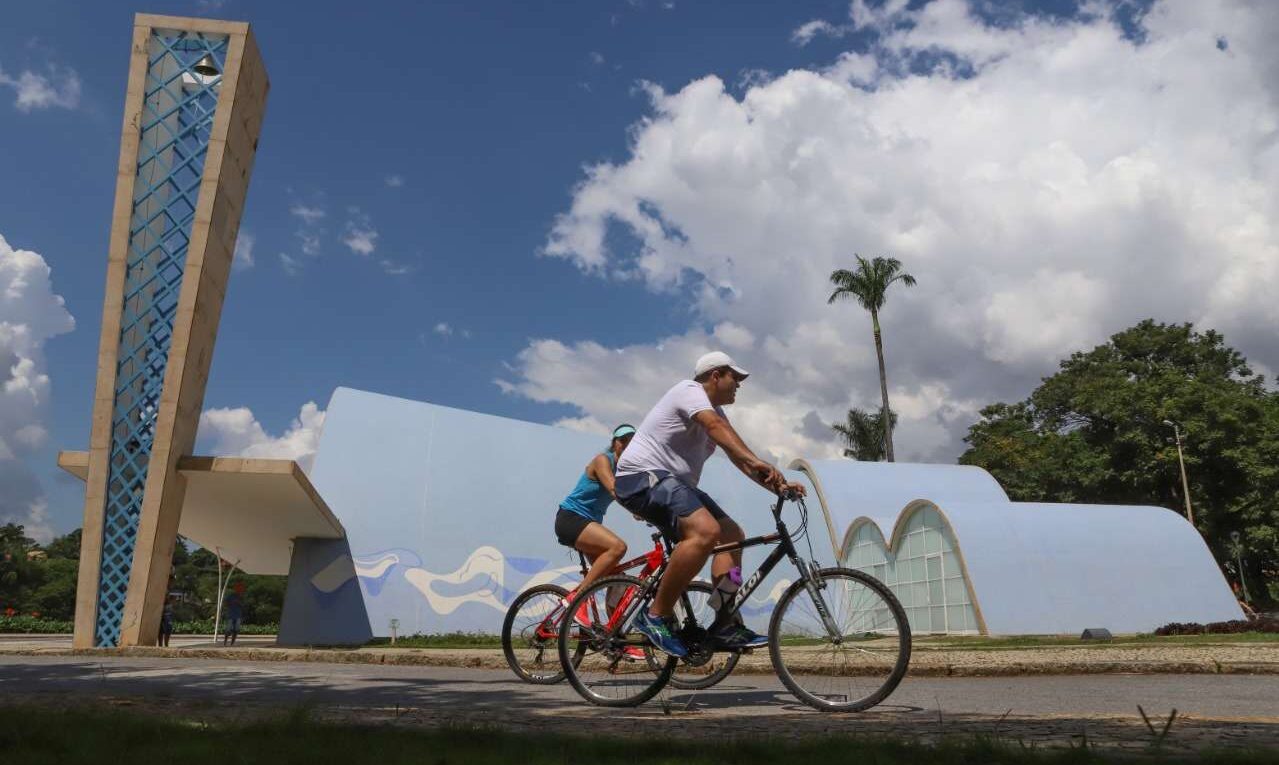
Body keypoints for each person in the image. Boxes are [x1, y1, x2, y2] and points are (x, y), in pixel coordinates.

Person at [614, 351, 806, 656]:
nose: (739, 385)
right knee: (705, 531)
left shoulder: (718, 414)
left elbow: (739, 459)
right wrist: (758, 460)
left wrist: (779, 487)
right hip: (640, 477)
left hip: (675, 483)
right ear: (715, 375)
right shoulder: (688, 392)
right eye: (735, 378)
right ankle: (655, 616)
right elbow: (718, 430)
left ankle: (726, 622)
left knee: (732, 536)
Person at [555, 423, 643, 658]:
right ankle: (576, 599)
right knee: (618, 547)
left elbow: (638, 496)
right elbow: (614, 489)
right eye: (623, 440)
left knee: (619, 581)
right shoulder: (602, 460)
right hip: (571, 519)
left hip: (587, 524)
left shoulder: (627, 471)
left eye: (633, 441)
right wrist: (636, 508)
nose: (627, 445)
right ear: (615, 443)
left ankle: (615, 640)